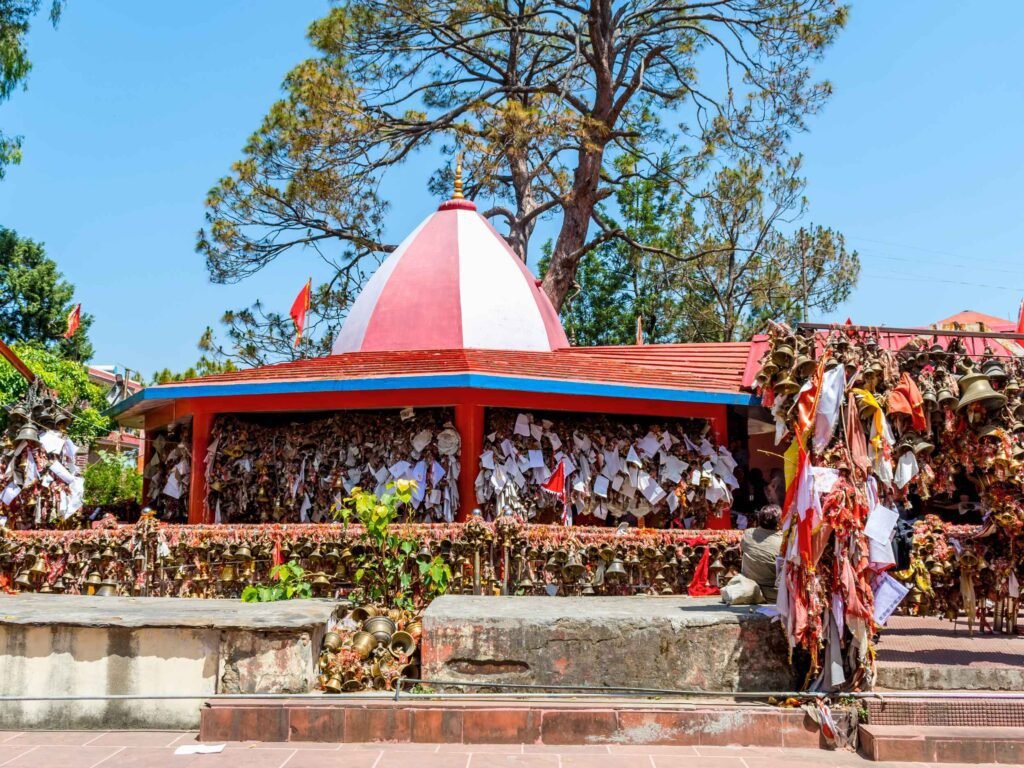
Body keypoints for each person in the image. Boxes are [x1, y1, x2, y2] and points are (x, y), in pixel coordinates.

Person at [740, 504, 784, 602]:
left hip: (749, 591)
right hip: (773, 594)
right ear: (779, 522)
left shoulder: (748, 534)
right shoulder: (783, 541)